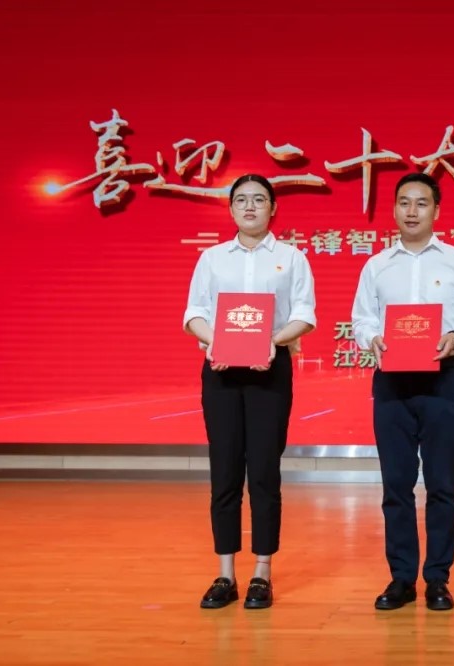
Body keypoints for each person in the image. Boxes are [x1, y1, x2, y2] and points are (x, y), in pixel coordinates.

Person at [352, 172, 454, 611]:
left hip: (442, 379)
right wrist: (371, 337)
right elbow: (361, 319)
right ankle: (401, 578)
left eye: (422, 203)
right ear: (394, 209)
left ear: (436, 211)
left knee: (442, 485)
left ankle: (437, 578)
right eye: (404, 203)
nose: (412, 211)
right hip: (392, 382)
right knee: (396, 485)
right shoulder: (376, 265)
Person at [183, 174, 317, 610]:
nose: (250, 206)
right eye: (241, 200)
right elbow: (194, 314)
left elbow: (305, 314)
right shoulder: (212, 258)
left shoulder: (292, 258)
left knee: (263, 472)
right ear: (231, 209)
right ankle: (225, 574)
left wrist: (270, 343)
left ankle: (262, 572)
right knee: (224, 472)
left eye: (259, 199)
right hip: (221, 373)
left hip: (269, 371)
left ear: (273, 208)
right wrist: (218, 343)